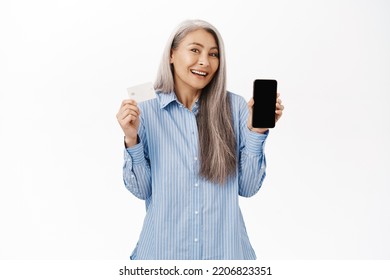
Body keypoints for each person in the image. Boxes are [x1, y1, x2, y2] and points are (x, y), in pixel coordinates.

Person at [116, 19, 284, 260]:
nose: (205, 61)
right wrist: (131, 139)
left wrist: (257, 132)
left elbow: (247, 187)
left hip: (225, 260)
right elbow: (142, 190)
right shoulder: (145, 110)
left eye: (213, 54)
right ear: (172, 55)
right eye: (195, 50)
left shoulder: (235, 108)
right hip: (162, 258)